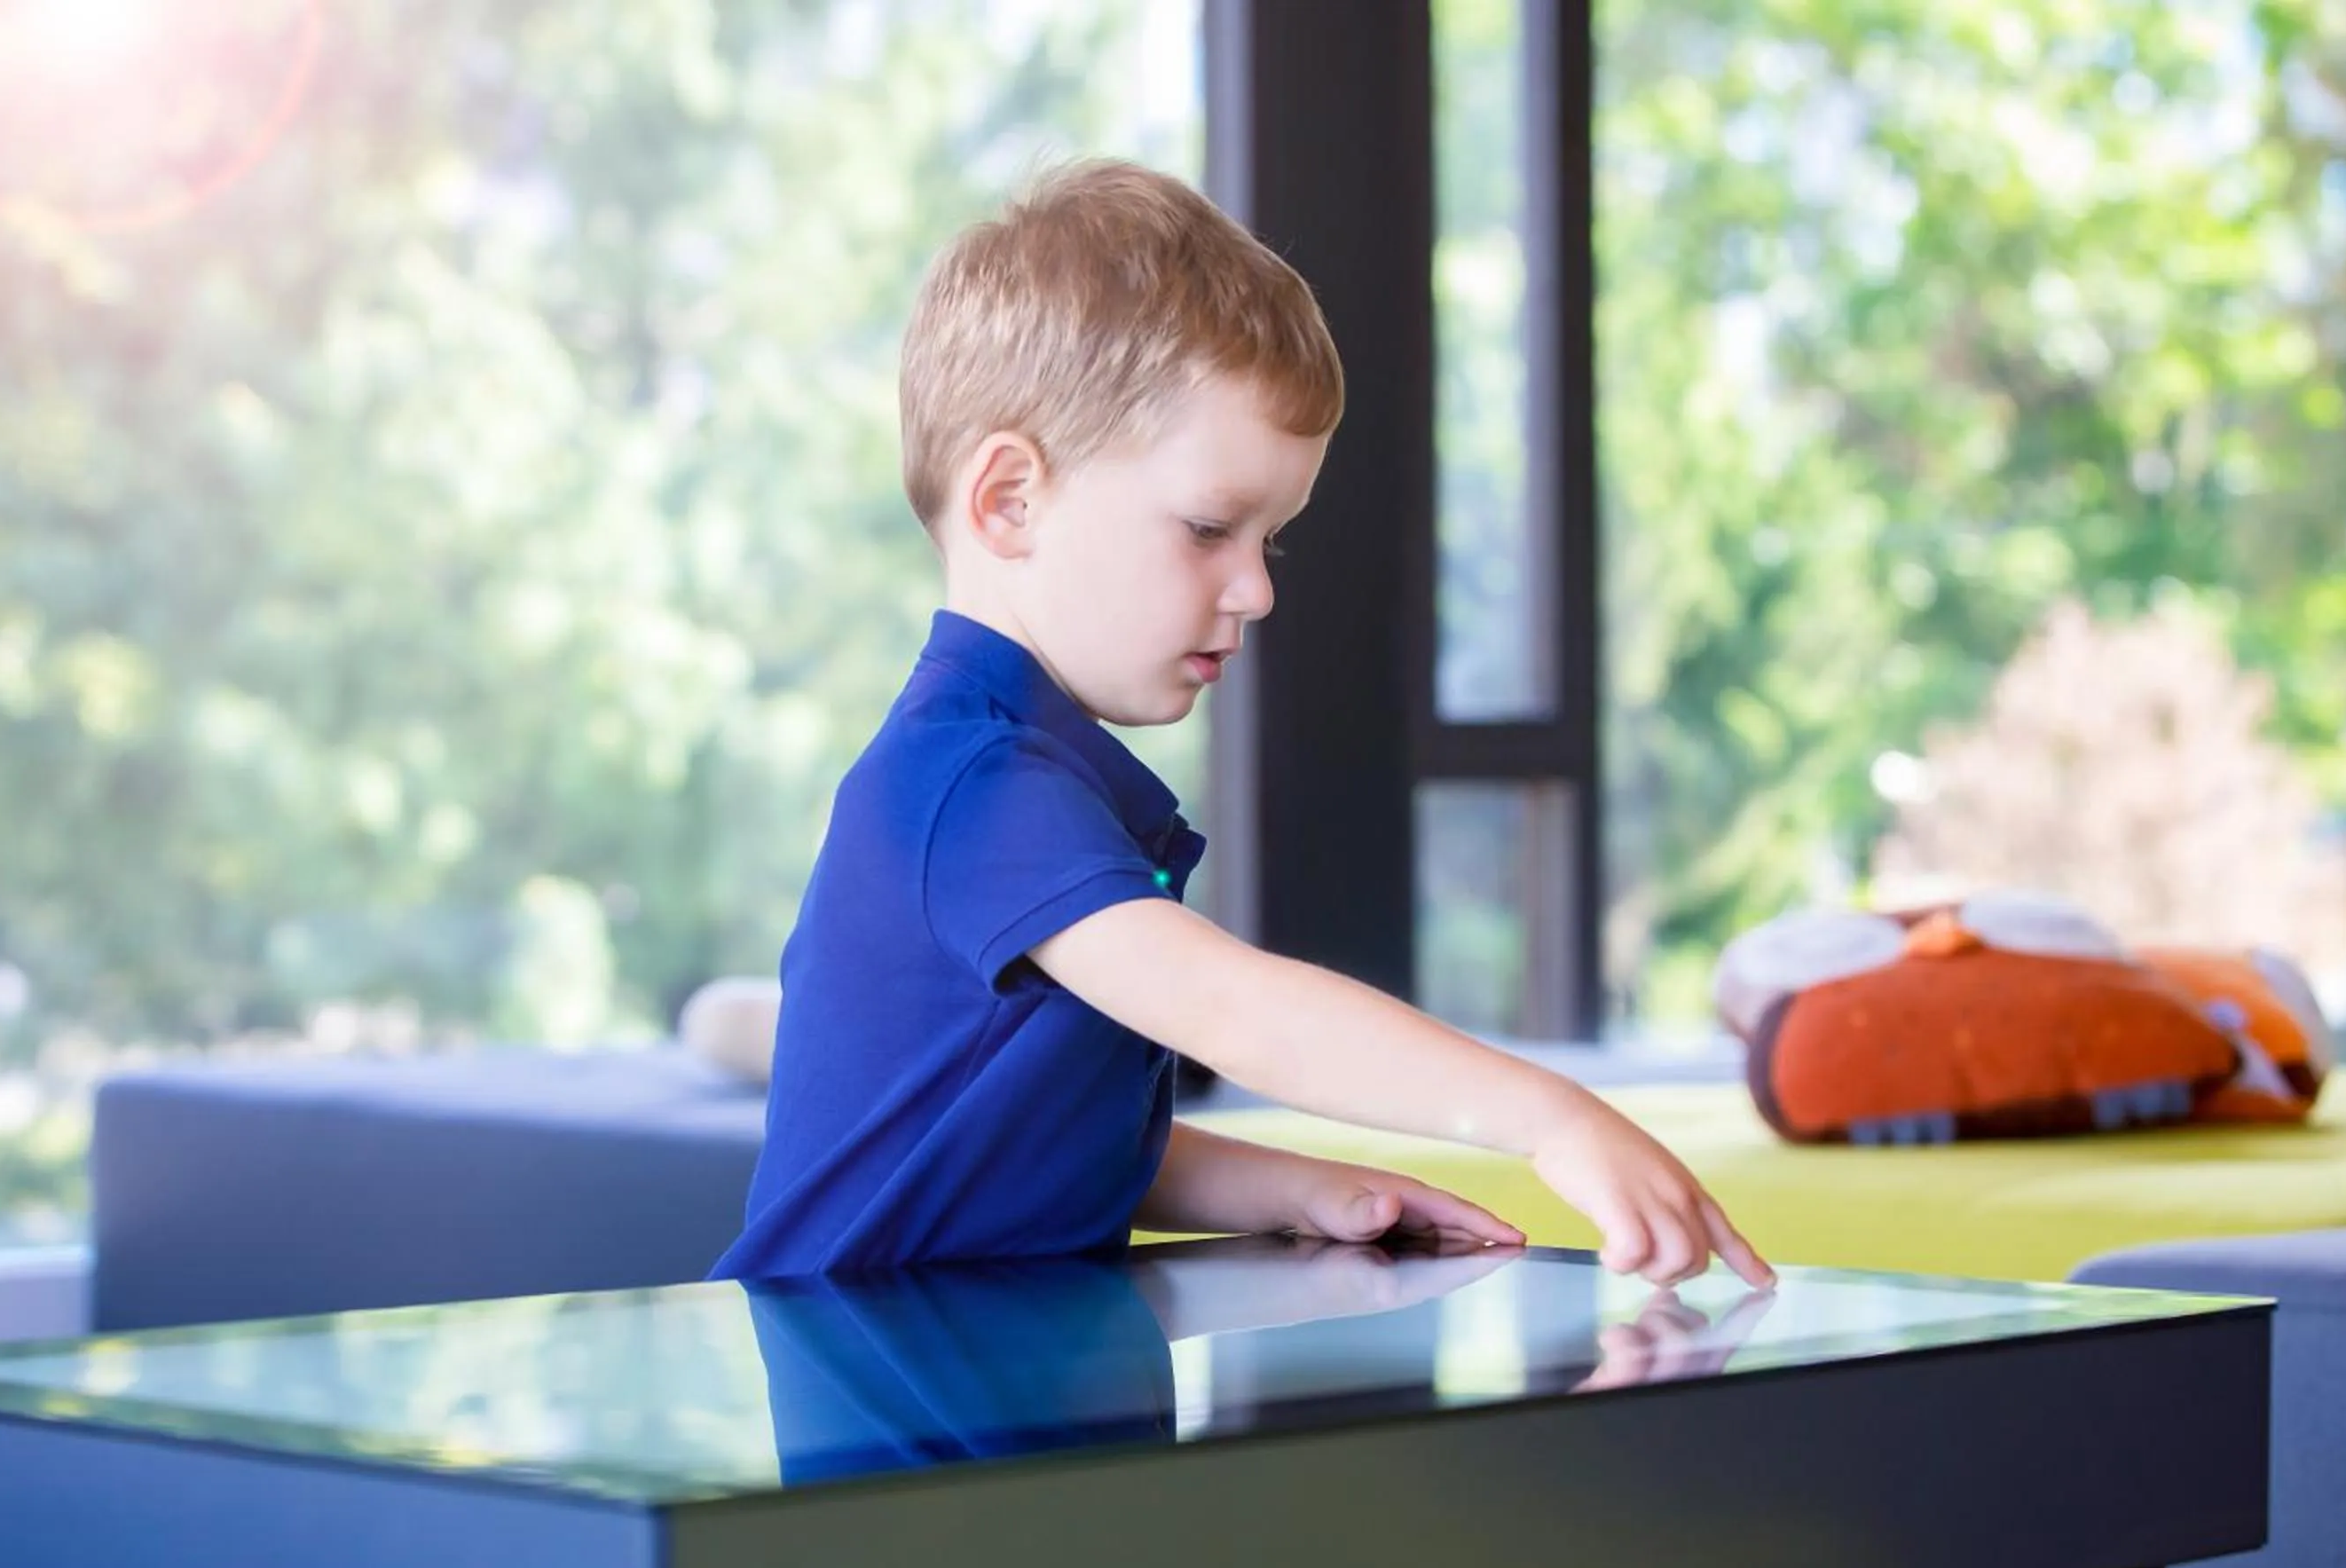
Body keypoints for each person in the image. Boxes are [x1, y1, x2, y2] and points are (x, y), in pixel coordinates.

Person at [709, 159, 1772, 1293]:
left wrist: (1293, 1185)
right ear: (1010, 499)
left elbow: (1036, 1141)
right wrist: (1548, 1117)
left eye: (1270, 541)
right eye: (1211, 527)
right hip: (873, 1408)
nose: (1257, 590)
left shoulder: (1039, 779)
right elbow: (1233, 1009)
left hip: (987, 1387)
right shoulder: (970, 782)